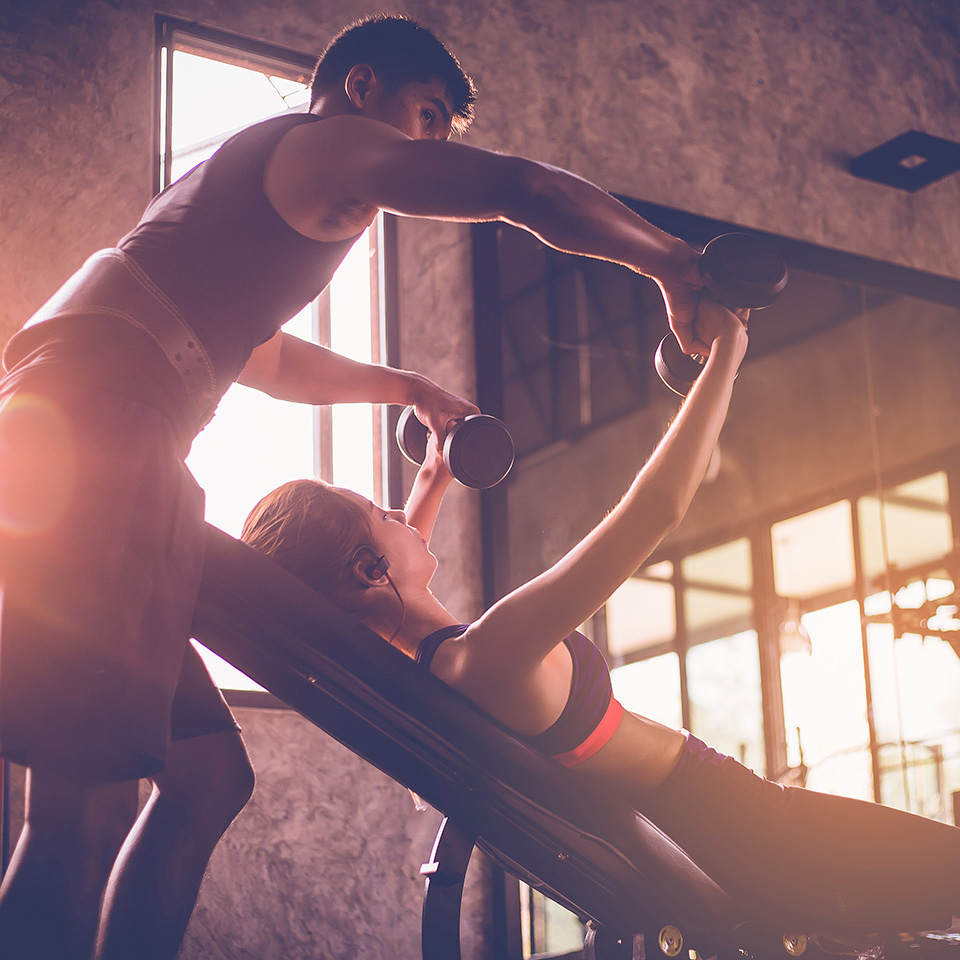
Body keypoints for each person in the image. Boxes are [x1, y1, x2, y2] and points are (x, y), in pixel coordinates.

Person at [0, 12, 718, 960]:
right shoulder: (326, 148)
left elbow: (261, 356)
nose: (427, 149)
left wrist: (404, 387)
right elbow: (521, 188)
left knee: (209, 778)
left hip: (121, 444)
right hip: (93, 434)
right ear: (363, 87)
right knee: (79, 813)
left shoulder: (241, 204)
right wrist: (675, 263)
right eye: (426, 118)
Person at [242, 294, 960, 947]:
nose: (400, 511)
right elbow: (658, 509)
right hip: (760, 836)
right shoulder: (490, 653)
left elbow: (391, 577)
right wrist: (727, 356)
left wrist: (436, 475)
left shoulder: (422, 679)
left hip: (739, 829)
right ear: (370, 572)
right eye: (380, 512)